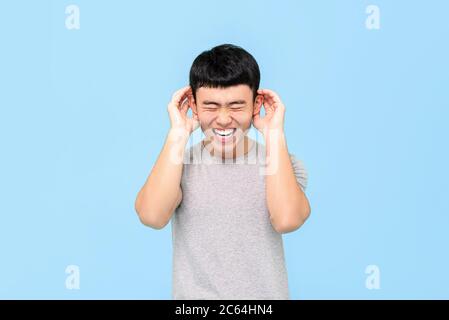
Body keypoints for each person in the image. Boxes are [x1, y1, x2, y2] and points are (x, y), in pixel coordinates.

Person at [135, 44, 311, 299]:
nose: (224, 118)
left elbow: (287, 220)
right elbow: (152, 216)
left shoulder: (283, 164)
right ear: (193, 106)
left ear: (256, 104)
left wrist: (274, 134)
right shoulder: (176, 166)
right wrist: (178, 132)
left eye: (237, 106)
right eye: (211, 106)